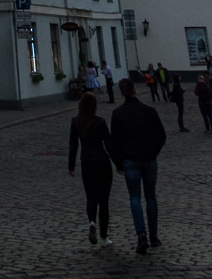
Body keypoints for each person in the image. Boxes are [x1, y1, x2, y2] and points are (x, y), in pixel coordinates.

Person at [111, 77, 167, 256]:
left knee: (134, 197)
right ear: (135, 90)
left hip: (130, 160)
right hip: (149, 159)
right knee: (150, 196)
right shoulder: (149, 111)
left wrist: (119, 161)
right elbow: (162, 135)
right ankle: (154, 235)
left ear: (122, 92)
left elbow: (115, 142)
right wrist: (153, 152)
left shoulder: (118, 113)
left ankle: (141, 235)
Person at [68, 92, 114, 247]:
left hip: (86, 162)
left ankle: (92, 222)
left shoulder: (76, 122)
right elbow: (108, 144)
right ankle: (103, 237)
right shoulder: (100, 122)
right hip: (102, 162)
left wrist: (71, 165)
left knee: (91, 197)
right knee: (104, 200)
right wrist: (118, 163)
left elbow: (73, 145)